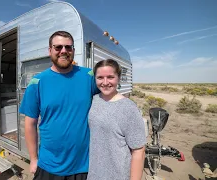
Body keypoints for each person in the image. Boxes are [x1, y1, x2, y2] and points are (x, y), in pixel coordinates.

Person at [19, 30, 99, 180]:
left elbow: (109, 96)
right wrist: (34, 159)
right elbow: (30, 124)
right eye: (58, 47)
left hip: (83, 165)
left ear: (73, 51)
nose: (64, 51)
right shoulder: (37, 82)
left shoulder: (88, 76)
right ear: (50, 51)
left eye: (68, 47)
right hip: (49, 165)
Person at [87, 59, 146, 180]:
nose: (105, 82)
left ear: (118, 78)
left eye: (110, 77)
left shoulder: (128, 108)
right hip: (94, 174)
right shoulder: (94, 100)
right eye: (100, 77)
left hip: (118, 175)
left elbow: (139, 151)